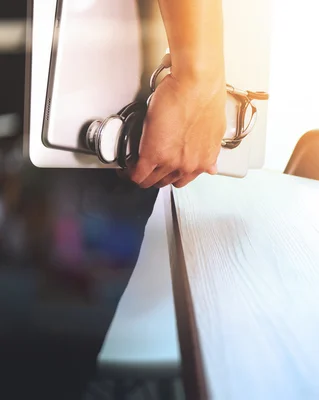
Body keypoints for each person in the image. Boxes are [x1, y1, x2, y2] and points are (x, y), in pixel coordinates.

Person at [0, 0, 226, 398]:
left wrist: (197, 79)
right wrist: (197, 80)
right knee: (37, 360)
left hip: (64, 78)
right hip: (61, 78)